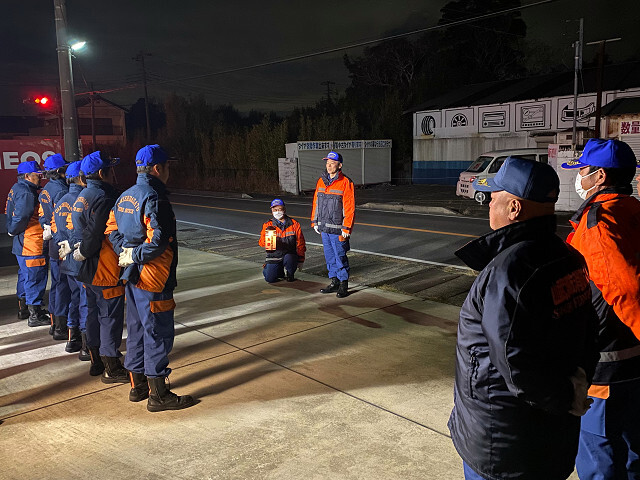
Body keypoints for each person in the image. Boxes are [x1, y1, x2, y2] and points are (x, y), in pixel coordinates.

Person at [448, 156, 600, 480]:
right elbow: (590, 329)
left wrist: (564, 397)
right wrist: (574, 389)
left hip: (503, 443)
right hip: (551, 436)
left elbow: (513, 361)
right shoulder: (569, 257)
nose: (489, 203)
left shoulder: (508, 272)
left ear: (514, 208)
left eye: (495, 196)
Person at [562, 138, 640, 479]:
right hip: (632, 360)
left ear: (600, 176)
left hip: (607, 366)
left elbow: (627, 290)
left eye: (582, 170)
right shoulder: (633, 210)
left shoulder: (599, 223)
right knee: (634, 450)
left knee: (600, 456)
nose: (579, 177)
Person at [110, 144, 194, 411]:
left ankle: (138, 387)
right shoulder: (155, 198)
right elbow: (158, 240)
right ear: (157, 168)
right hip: (154, 276)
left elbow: (111, 229)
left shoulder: (124, 196)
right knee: (158, 332)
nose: (169, 171)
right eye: (167, 166)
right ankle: (158, 395)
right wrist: (136, 254)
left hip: (132, 275)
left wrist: (125, 252)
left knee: (136, 330)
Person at [70, 151, 128, 383]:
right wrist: (86, 249)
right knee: (110, 318)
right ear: (102, 173)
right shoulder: (105, 197)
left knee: (93, 314)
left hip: (88, 269)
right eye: (110, 169)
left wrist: (81, 251)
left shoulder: (82, 195)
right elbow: (96, 232)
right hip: (104, 266)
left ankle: (95, 359)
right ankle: (111, 366)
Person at [5, 160, 50, 327]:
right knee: (35, 277)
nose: (40, 178)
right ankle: (35, 314)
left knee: (25, 275)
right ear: (27, 176)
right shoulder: (27, 194)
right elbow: (21, 217)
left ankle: (23, 308)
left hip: (22, 242)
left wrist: (12, 231)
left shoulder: (17, 188)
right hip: (31, 242)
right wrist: (13, 230)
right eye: (37, 175)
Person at [53, 160, 88, 357]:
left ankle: (72, 338)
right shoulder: (82, 201)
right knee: (85, 301)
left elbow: (55, 228)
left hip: (65, 258)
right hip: (79, 259)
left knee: (74, 298)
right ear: (81, 178)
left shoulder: (61, 200)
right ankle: (86, 345)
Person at [311, 150, 355, 298]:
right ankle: (334, 281)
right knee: (329, 256)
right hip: (324, 227)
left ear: (339, 165)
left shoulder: (346, 182)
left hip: (338, 229)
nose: (329, 166)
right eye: (327, 163)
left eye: (332, 163)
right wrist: (314, 221)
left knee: (340, 256)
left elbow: (349, 207)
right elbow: (316, 202)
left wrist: (346, 227)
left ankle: (343, 284)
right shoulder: (321, 181)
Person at [39, 153, 70, 340]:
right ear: (59, 171)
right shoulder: (61, 191)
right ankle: (60, 326)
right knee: (63, 286)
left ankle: (54, 323)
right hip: (60, 243)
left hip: (52, 241)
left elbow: (43, 216)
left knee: (57, 284)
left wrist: (46, 226)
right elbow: (63, 219)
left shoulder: (46, 189)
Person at [258, 198, 306, 283]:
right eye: (275, 210)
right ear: (272, 211)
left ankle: (290, 273)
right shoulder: (268, 225)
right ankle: (277, 269)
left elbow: (300, 243)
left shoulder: (294, 224)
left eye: (280, 209)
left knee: (290, 258)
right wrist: (268, 240)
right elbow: (261, 243)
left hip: (289, 254)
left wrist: (301, 259)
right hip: (274, 255)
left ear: (284, 210)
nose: (277, 212)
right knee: (270, 279)